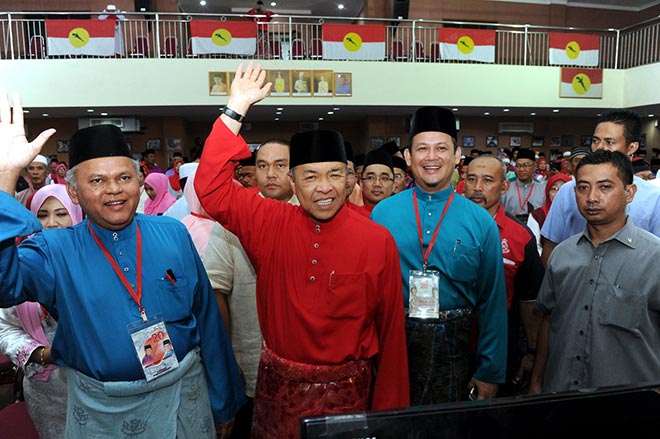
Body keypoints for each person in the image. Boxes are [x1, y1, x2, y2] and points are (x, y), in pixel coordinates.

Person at [0, 89, 245, 438]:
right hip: (103, 411)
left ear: (140, 182)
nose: (114, 190)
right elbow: (4, 286)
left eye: (124, 178)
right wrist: (5, 178)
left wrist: (223, 400)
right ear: (73, 192)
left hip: (183, 398)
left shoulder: (173, 232)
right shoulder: (54, 248)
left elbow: (208, 320)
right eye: (97, 181)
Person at [194, 62, 409, 439]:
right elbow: (210, 188)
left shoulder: (377, 239)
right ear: (292, 181)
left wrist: (389, 418)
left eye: (335, 174)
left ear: (349, 178)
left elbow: (391, 335)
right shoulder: (269, 221)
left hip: (347, 398)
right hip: (279, 395)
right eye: (310, 176)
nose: (324, 187)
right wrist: (235, 108)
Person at [371, 106, 507, 404]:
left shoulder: (481, 221)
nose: (431, 157)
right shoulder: (382, 214)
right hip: (393, 346)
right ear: (408, 157)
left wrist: (490, 371)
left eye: (441, 148)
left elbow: (492, 303)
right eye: (422, 148)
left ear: (458, 155)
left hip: (455, 351)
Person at [530, 150, 660, 394]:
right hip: (561, 395)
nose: (591, 197)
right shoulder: (562, 255)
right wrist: (536, 381)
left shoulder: (654, 258)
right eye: (582, 188)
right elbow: (549, 321)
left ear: (629, 193)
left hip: (634, 405)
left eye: (605, 187)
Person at [203, 138, 299, 439]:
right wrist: (229, 356)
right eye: (262, 165)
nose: (270, 174)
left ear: (295, 172)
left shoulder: (312, 215)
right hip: (250, 354)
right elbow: (216, 290)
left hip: (303, 360)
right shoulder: (234, 219)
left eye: (280, 165)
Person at [0, 184, 83, 439]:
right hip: (46, 391)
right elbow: (4, 326)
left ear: (77, 214)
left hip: (94, 386)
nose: (52, 223)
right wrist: (41, 354)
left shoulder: (92, 260)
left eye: (61, 213)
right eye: (42, 215)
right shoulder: (19, 264)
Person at [463, 155, 544, 396]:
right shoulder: (447, 226)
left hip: (502, 344)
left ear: (504, 186)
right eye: (471, 179)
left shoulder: (520, 237)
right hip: (453, 343)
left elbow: (530, 304)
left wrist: (531, 353)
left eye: (487, 180)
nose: (477, 188)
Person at [540, 111, 660, 266]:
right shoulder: (568, 190)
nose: (600, 148)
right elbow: (551, 248)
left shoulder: (653, 197)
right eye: (596, 141)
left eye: (609, 142)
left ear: (632, 147)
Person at [527, 173, 572, 255]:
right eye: (554, 189)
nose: (558, 193)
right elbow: (535, 246)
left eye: (563, 189)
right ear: (548, 192)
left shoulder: (579, 214)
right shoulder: (537, 216)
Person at [501, 148, 546, 222]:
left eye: (525, 165)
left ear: (534, 167)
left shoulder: (543, 189)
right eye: (518, 166)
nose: (521, 169)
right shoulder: (506, 188)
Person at [358, 148, 394, 215]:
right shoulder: (353, 216)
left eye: (384, 178)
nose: (377, 184)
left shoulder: (402, 217)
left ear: (393, 185)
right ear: (361, 184)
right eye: (370, 178)